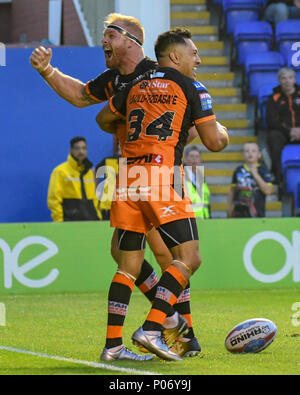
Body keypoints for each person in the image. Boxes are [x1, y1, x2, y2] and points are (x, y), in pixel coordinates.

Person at [30, 13, 199, 361]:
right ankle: (168, 321)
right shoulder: (114, 81)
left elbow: (194, 123)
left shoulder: (159, 73)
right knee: (125, 254)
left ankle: (183, 333)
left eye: (110, 34)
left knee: (168, 255)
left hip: (165, 172)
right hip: (132, 171)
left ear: (131, 40)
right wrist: (48, 70)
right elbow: (79, 95)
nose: (103, 41)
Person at [97, 28, 229, 361]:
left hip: (129, 177)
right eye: (194, 53)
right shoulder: (192, 86)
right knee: (188, 258)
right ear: (175, 56)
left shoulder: (135, 85)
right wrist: (221, 131)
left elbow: (103, 117)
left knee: (127, 264)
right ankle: (155, 328)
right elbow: (214, 142)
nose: (198, 59)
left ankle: (113, 347)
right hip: (160, 175)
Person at [48, 137, 102, 222]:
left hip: (91, 222)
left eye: (84, 148)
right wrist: (59, 221)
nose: (81, 151)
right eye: (77, 148)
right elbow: (54, 199)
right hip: (70, 223)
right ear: (71, 150)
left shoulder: (90, 172)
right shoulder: (60, 171)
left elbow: (95, 199)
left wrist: (98, 217)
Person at [266, 67, 300, 185]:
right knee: (273, 137)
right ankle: (278, 177)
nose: (287, 81)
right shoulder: (274, 98)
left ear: (294, 79)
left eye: (290, 78)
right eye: (284, 78)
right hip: (284, 133)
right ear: (279, 80)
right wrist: (290, 131)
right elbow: (271, 120)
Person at [227, 142, 273, 218]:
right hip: (238, 214)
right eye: (247, 151)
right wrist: (228, 207)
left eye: (253, 151)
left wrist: (256, 175)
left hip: (257, 214)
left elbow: (268, 191)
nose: (250, 153)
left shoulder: (264, 170)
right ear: (243, 155)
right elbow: (232, 190)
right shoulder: (238, 170)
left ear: (259, 154)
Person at [184, 145, 211, 219]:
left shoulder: (201, 177)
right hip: (188, 219)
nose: (194, 159)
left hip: (203, 219)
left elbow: (206, 201)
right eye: (191, 156)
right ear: (185, 159)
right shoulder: (180, 176)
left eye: (197, 156)